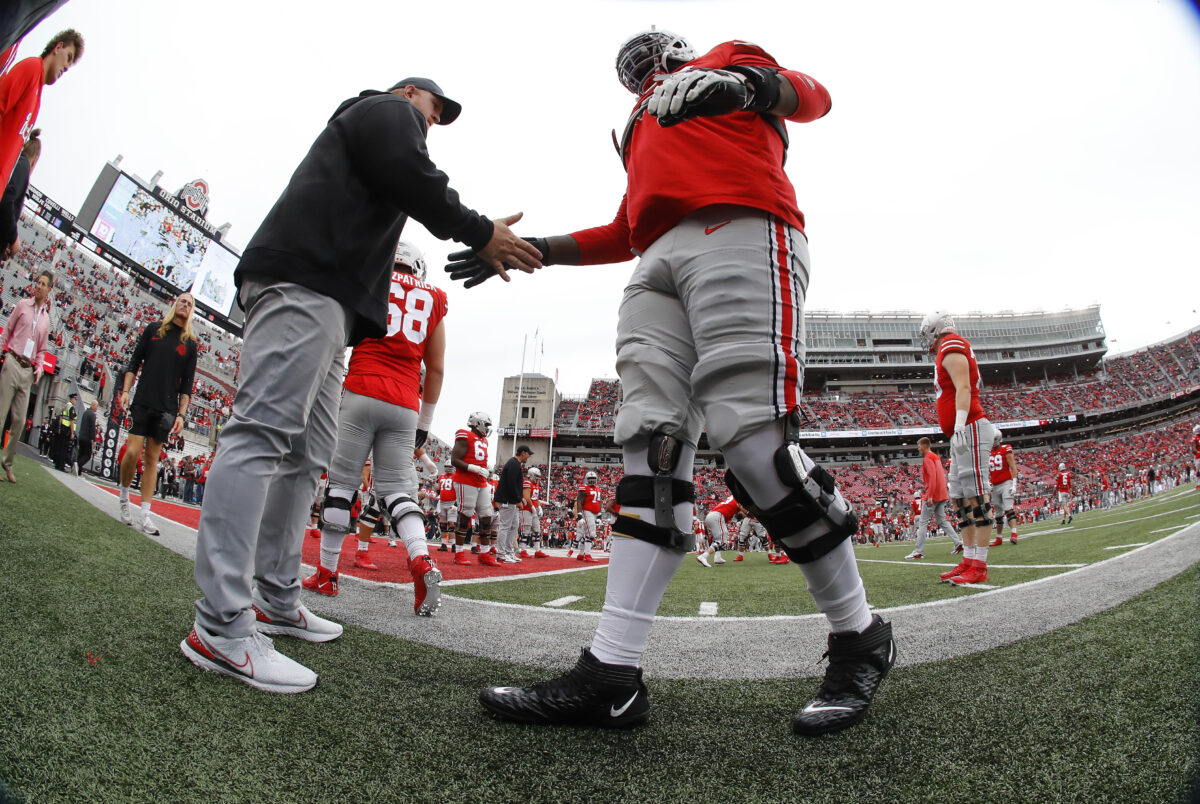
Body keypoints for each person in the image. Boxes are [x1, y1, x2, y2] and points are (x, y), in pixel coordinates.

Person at [456, 30, 892, 735]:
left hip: (742, 226)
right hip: (654, 260)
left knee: (757, 450)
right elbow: (628, 226)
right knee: (649, 460)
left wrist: (745, 85)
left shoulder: (727, 60)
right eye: (635, 63)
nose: (648, 64)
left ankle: (860, 634)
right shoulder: (636, 129)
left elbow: (815, 97)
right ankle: (612, 673)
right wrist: (533, 250)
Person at [182, 76, 540, 694]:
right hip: (305, 282)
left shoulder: (381, 134)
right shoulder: (386, 111)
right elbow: (409, 169)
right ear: (408, 94)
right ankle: (219, 624)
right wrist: (481, 230)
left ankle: (276, 594)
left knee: (305, 457)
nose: (431, 125)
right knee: (263, 436)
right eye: (432, 111)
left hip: (333, 304)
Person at [305, 239, 448, 614]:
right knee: (400, 492)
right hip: (404, 402)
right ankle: (421, 559)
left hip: (361, 387)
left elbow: (340, 333)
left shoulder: (371, 279)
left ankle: (327, 573)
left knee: (342, 485)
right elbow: (435, 368)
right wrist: (425, 422)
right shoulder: (433, 297)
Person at [919, 311, 996, 587]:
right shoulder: (947, 348)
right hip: (961, 433)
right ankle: (969, 558)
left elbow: (964, 386)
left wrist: (961, 422)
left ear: (936, 330)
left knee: (976, 496)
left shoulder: (951, 344)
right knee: (960, 499)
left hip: (970, 427)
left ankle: (980, 565)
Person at [116, 293, 198, 536]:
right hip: (142, 401)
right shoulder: (154, 329)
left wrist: (181, 416)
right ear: (175, 304)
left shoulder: (190, 344)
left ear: (191, 311)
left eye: (190, 304)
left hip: (167, 409)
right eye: (183, 301)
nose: (186, 305)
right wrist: (125, 391)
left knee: (152, 459)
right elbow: (134, 363)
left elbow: (187, 386)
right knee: (131, 453)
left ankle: (145, 514)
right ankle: (123, 498)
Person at [0, 29, 81, 191]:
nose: (66, 67)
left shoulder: (37, 98)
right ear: (58, 47)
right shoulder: (31, 68)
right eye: (68, 58)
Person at [0, 268, 51, 482]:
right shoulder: (22, 305)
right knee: (1, 414)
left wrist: (38, 368)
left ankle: (7, 462)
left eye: (42, 284)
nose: (38, 286)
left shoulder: (46, 320)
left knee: (20, 420)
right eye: (37, 282)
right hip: (12, 361)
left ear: (49, 290)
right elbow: (7, 331)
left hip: (28, 371)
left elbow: (41, 350)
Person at [449, 412, 498, 566]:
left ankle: (484, 553)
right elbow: (454, 460)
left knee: (486, 516)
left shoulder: (484, 440)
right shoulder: (465, 435)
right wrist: (475, 469)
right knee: (465, 515)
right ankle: (458, 553)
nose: (488, 428)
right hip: (466, 480)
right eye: (487, 424)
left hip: (481, 482)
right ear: (478, 423)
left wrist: (482, 471)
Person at [905, 437, 963, 560]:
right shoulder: (935, 457)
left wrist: (930, 495)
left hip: (934, 494)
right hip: (941, 493)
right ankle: (958, 543)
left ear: (924, 446)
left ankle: (918, 551)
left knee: (923, 522)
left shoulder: (928, 458)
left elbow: (932, 477)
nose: (918, 449)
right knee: (942, 521)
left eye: (919, 446)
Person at [0, 128, 38, 258]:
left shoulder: (17, 160)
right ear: (36, 158)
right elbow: (6, 200)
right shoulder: (23, 164)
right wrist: (13, 237)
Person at [493, 445, 533, 563]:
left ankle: (509, 552)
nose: (528, 457)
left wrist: (518, 499)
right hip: (507, 500)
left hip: (511, 501)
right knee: (505, 526)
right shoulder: (514, 463)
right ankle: (501, 554)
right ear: (523, 453)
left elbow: (514, 484)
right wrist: (518, 500)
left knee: (514, 526)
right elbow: (511, 484)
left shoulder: (514, 463)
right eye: (528, 454)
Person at [987, 428, 1019, 546]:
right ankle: (999, 538)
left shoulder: (1006, 449)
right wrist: (987, 482)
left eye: (994, 439)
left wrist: (1014, 484)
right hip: (995, 485)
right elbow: (985, 470)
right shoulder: (988, 451)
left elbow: (1013, 467)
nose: (993, 441)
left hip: (1006, 483)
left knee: (1009, 509)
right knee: (998, 513)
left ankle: (1014, 534)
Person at [697, 495, 741, 567]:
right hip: (717, 515)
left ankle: (717, 557)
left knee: (719, 539)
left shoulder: (733, 497)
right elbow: (743, 509)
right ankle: (704, 556)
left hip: (712, 515)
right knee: (723, 541)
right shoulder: (740, 499)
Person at [572, 470, 603, 563]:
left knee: (586, 533)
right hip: (587, 511)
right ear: (586, 479)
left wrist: (599, 515)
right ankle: (588, 555)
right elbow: (579, 501)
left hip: (594, 512)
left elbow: (599, 502)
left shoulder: (598, 488)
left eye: (594, 479)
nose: (592, 481)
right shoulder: (583, 487)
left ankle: (581, 554)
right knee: (591, 533)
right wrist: (579, 515)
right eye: (590, 479)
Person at [519, 466, 549, 558]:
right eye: (536, 476)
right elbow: (527, 497)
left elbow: (535, 498)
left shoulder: (536, 485)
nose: (538, 479)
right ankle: (523, 550)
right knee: (526, 530)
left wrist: (539, 507)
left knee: (536, 530)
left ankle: (537, 550)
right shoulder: (527, 483)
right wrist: (532, 507)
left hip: (533, 509)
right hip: (526, 509)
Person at [51, 391, 77, 472]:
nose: (75, 401)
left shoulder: (66, 406)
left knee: (60, 447)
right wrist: (72, 433)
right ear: (72, 399)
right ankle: (61, 466)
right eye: (75, 399)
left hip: (62, 428)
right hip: (66, 429)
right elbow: (71, 421)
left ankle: (57, 464)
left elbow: (61, 417)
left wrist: (59, 428)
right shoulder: (71, 407)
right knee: (64, 449)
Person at [75, 398, 98, 475]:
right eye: (96, 406)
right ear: (93, 405)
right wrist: (94, 440)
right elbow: (92, 428)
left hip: (81, 436)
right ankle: (78, 465)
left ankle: (78, 471)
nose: (97, 408)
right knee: (87, 455)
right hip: (87, 437)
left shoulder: (85, 412)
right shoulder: (92, 414)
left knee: (81, 453)